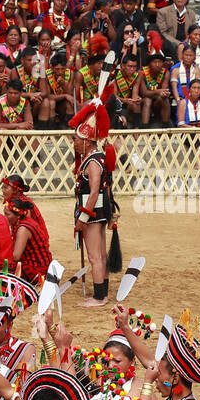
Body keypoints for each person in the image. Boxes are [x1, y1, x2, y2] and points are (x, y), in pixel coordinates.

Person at [70, 96, 119, 307]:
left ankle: (99, 297)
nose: (74, 143)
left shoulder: (92, 162)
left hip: (92, 212)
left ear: (87, 141)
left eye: (76, 139)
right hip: (99, 211)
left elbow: (94, 191)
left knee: (94, 255)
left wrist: (82, 217)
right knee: (99, 253)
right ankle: (102, 292)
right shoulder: (98, 157)